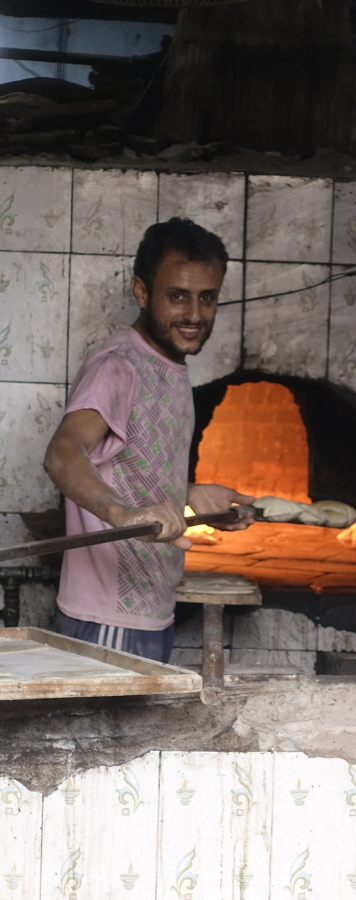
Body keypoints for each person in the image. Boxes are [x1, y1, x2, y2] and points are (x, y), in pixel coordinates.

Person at [44, 217, 254, 663]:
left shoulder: (170, 365)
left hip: (150, 612)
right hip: (107, 621)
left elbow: (130, 467)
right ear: (142, 292)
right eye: (177, 296)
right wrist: (123, 514)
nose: (194, 315)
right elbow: (63, 454)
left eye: (207, 298)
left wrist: (192, 499)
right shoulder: (117, 366)